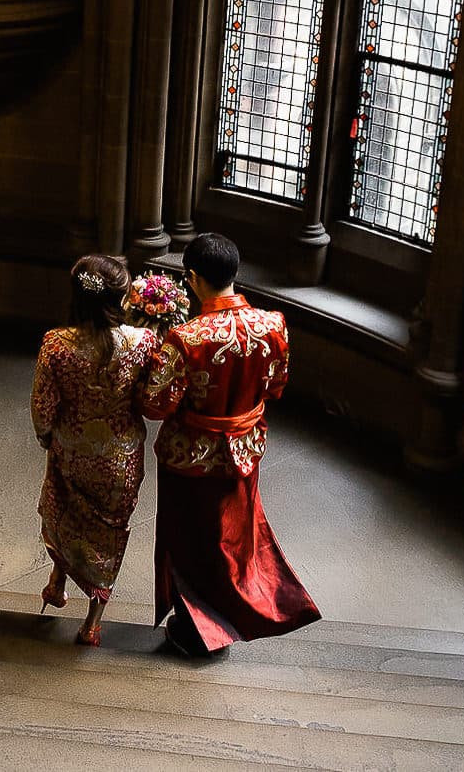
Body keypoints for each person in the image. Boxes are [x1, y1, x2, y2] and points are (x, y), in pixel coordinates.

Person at [140, 232, 319, 656]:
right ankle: (237, 611)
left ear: (193, 278)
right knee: (237, 537)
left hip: (191, 455)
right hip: (246, 448)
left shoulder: (187, 338)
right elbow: (275, 387)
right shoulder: (273, 325)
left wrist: (152, 357)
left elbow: (156, 404)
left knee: (191, 542)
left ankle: (198, 629)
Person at [29, 253, 157, 646]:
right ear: (118, 300)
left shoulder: (56, 345)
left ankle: (56, 581)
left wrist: (46, 437)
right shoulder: (143, 343)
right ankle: (92, 623)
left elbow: (42, 406)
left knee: (64, 514)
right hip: (119, 459)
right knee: (108, 532)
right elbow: (151, 398)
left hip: (72, 451)